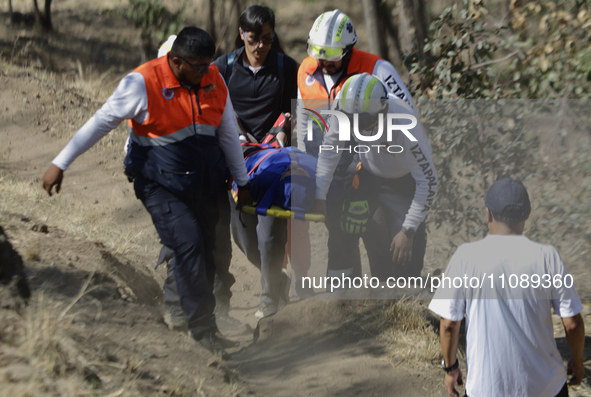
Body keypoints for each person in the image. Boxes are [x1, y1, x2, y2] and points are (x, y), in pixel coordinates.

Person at [41, 27, 252, 358]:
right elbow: (100, 122)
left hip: (205, 182)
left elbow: (227, 134)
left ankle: (203, 326)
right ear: (176, 61)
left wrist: (243, 181)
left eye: (208, 64)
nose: (205, 72)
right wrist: (61, 162)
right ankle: (200, 334)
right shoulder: (141, 83)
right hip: (160, 183)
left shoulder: (213, 78)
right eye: (198, 67)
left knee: (210, 252)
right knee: (188, 243)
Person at [429, 178, 585, 397]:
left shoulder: (466, 256)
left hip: (486, 389)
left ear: (488, 214)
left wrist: (451, 369)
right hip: (546, 388)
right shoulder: (548, 256)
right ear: (527, 214)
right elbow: (572, 323)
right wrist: (577, 362)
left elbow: (448, 324)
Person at [296, 10, 418, 285]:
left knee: (376, 232)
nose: (324, 60)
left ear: (349, 48)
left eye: (333, 54)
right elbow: (305, 120)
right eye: (319, 52)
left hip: (369, 174)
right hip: (327, 170)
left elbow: (407, 116)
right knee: (339, 236)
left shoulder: (377, 69)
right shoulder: (305, 70)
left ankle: (386, 294)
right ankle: (343, 301)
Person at [313, 73, 437, 282]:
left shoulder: (405, 126)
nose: (356, 128)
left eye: (364, 122)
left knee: (404, 252)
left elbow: (429, 181)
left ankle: (400, 293)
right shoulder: (343, 106)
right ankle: (339, 294)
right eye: (350, 121)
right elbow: (330, 151)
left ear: (383, 109)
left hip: (403, 182)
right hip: (367, 172)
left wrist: (408, 230)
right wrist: (320, 195)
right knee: (344, 224)